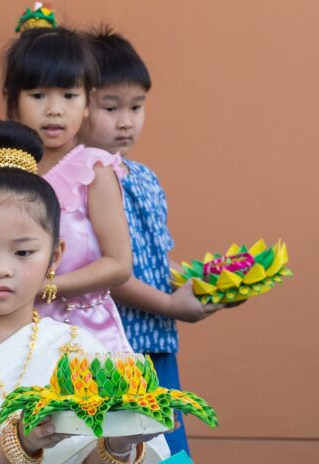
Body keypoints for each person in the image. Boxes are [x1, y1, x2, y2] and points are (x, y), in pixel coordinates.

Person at [0, 120, 170, 463]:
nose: (0, 268)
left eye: (22, 253)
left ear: (55, 256)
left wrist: (118, 445)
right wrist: (23, 437)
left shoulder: (80, 348)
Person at [79, 28, 224, 456]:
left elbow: (150, 260)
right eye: (111, 107)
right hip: (113, 349)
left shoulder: (143, 177)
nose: (126, 120)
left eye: (137, 107)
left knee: (169, 446)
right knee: (123, 449)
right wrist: (171, 305)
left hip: (157, 342)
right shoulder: (81, 181)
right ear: (77, 104)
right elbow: (107, 271)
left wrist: (205, 280)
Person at [2, 16, 134, 353]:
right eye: (38, 95)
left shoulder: (94, 170)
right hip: (17, 335)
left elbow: (118, 265)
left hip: (85, 337)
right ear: (12, 100)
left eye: (69, 95)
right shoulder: (5, 171)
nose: (55, 110)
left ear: (88, 101)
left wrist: (44, 287)